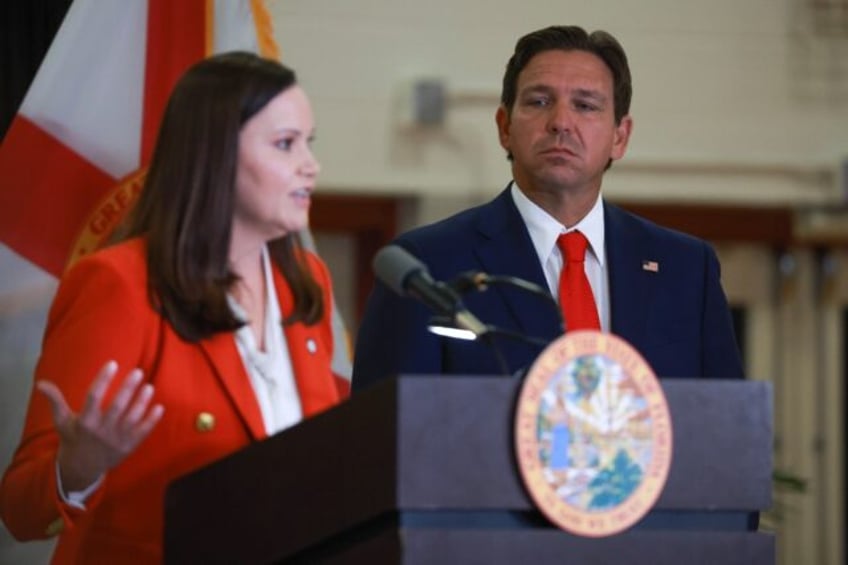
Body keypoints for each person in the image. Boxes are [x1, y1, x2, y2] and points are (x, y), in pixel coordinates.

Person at [0, 52, 347, 563]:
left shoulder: (306, 282)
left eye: (308, 143)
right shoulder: (119, 284)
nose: (310, 165)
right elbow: (20, 509)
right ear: (215, 155)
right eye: (284, 144)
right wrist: (77, 467)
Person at [352, 25, 744, 392]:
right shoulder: (428, 266)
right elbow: (383, 441)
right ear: (504, 126)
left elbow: (725, 428)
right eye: (539, 102)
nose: (560, 122)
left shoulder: (686, 269)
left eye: (586, 106)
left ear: (620, 137)